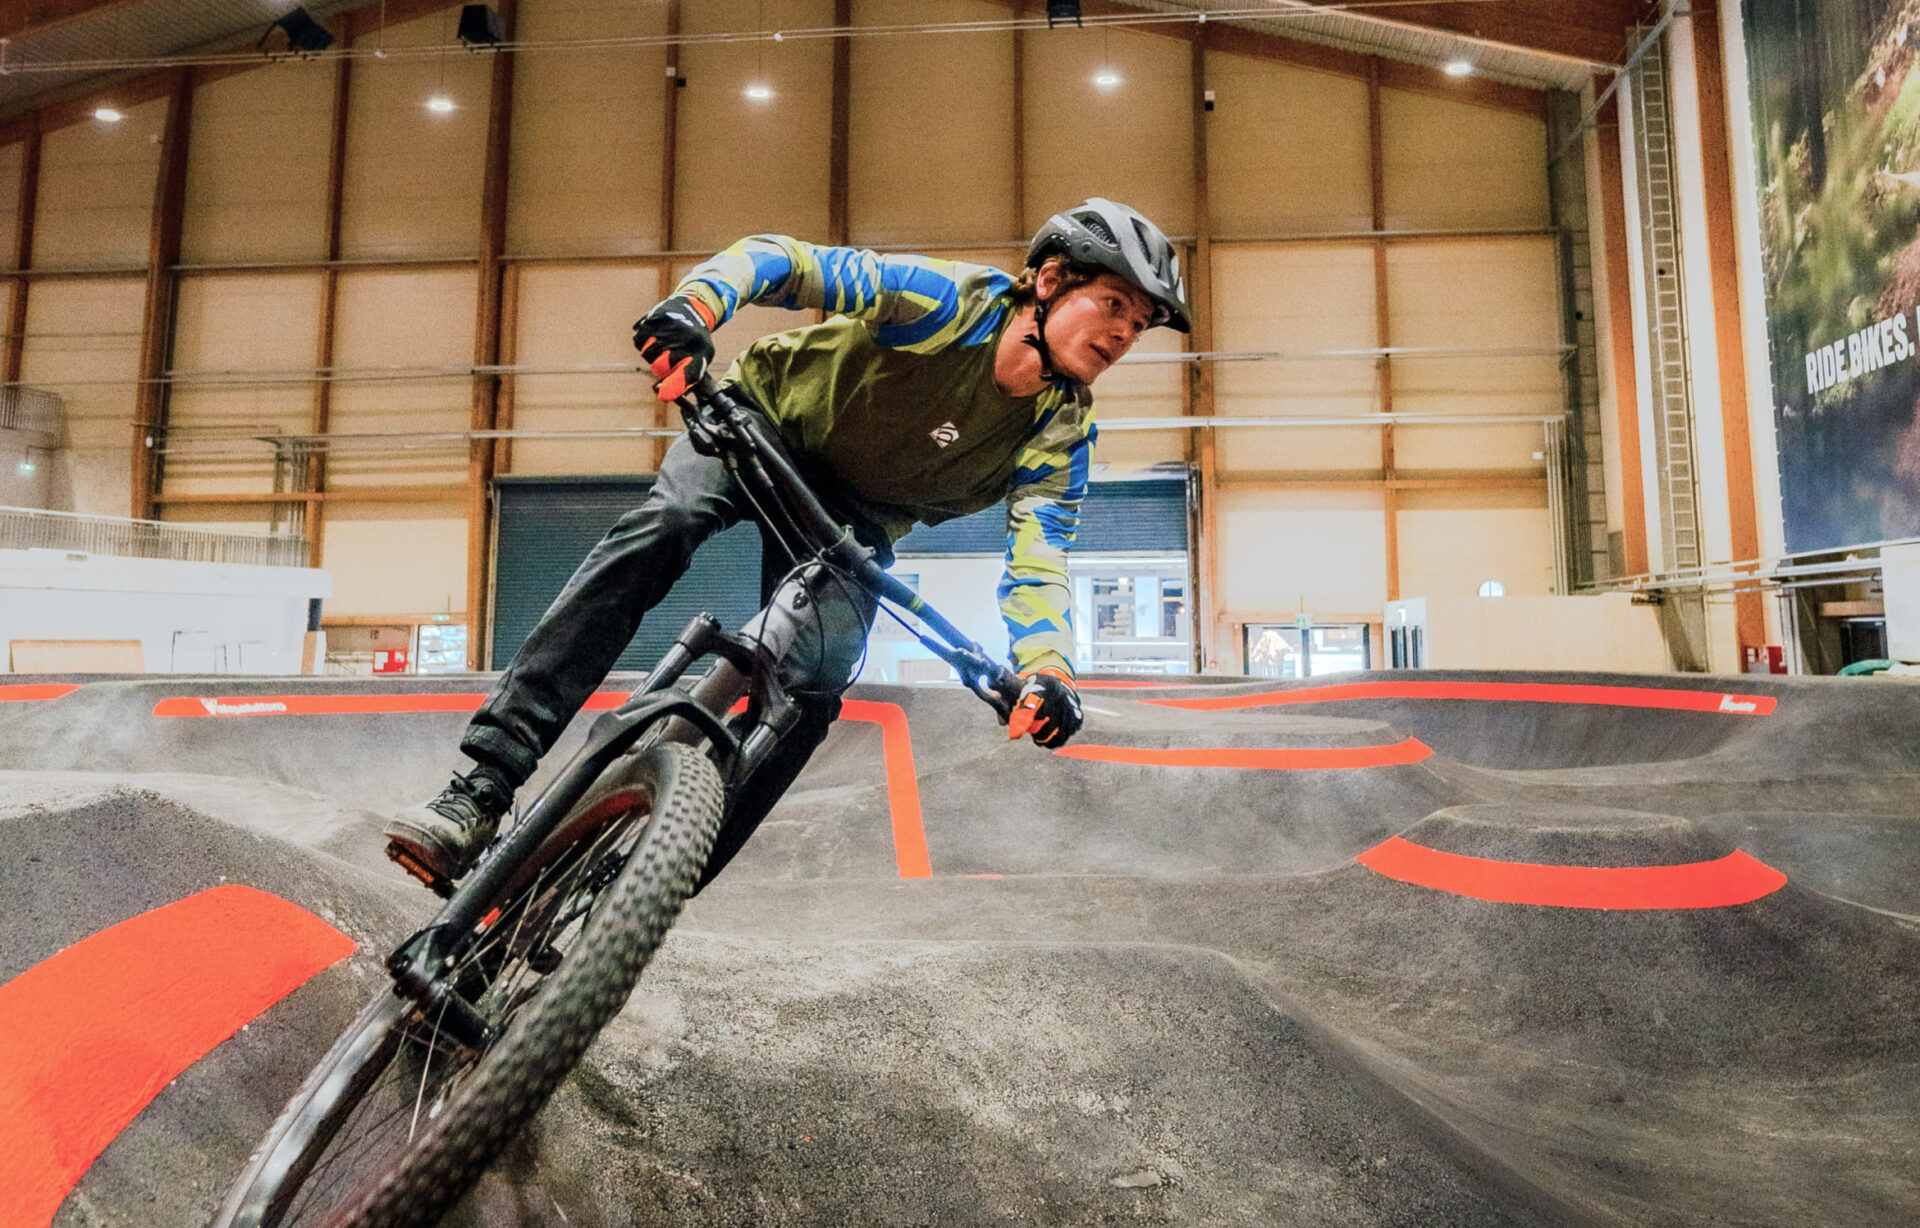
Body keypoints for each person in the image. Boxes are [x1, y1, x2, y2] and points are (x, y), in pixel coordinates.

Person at [385, 198, 1192, 885]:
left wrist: (1048, 670)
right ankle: (480, 791)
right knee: (662, 529)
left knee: (814, 691)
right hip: (761, 428)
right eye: (1114, 305)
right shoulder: (946, 303)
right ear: (1051, 282)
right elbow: (782, 260)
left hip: (850, 518)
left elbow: (1041, 562)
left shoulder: (1061, 433)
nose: (1125, 333)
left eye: (1141, 323)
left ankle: (655, 877)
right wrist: (695, 312)